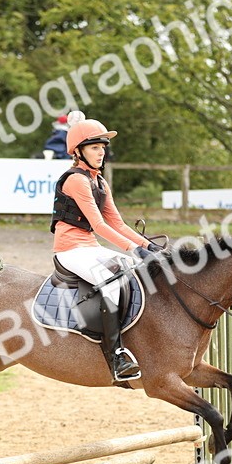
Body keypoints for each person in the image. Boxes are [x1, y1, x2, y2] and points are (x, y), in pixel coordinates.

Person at [50, 111, 162, 382]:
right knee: (112, 279)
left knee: (137, 272)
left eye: (102, 147)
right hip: (69, 251)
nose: (101, 153)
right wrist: (134, 250)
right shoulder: (75, 180)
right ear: (78, 151)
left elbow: (119, 224)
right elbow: (99, 225)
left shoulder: (99, 181)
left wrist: (150, 246)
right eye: (94, 147)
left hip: (89, 248)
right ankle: (116, 355)